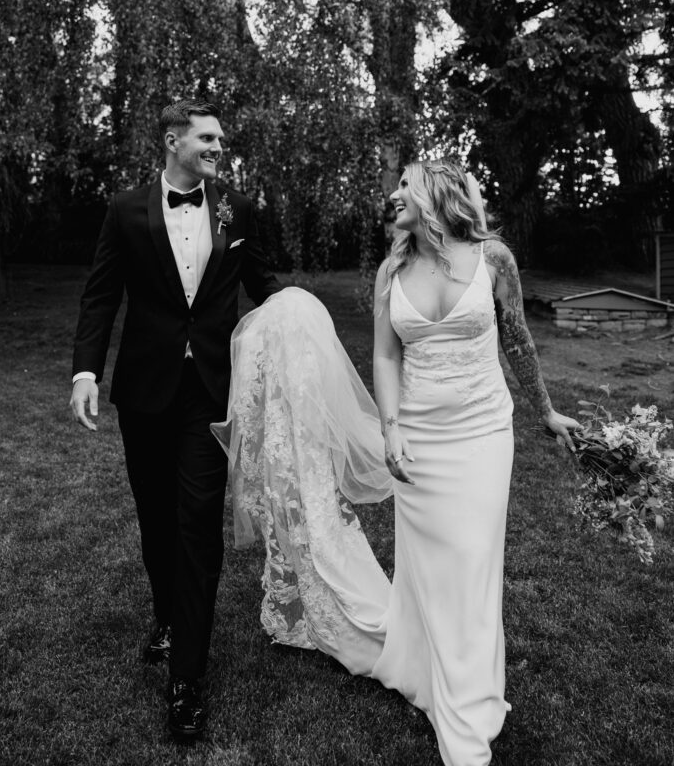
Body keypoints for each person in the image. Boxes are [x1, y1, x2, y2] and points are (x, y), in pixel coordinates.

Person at [214, 159, 577, 766]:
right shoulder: (392, 270)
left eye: (404, 186)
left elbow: (517, 338)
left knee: (471, 557)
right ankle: (426, 668)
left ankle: (466, 704)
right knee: (427, 566)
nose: (393, 196)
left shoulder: (493, 260)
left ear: (436, 193)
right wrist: (390, 429)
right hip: (419, 440)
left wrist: (544, 412)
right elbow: (385, 358)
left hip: (484, 431)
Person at [70, 98, 280, 741]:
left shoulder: (239, 210)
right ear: (173, 141)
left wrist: (298, 319)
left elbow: (264, 284)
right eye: (208, 138)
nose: (219, 147)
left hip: (212, 392)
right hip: (145, 389)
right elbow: (103, 292)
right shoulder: (126, 209)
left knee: (197, 525)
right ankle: (166, 615)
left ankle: (187, 677)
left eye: (220, 139)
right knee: (157, 518)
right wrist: (86, 371)